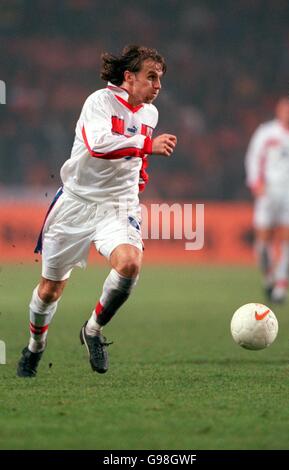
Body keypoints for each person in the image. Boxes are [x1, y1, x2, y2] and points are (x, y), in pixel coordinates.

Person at [17, 45, 177, 377]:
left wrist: (140, 171)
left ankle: (92, 329)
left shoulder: (150, 113)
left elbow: (135, 157)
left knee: (130, 264)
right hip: (76, 204)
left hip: (118, 205)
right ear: (129, 77)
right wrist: (147, 146)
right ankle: (35, 347)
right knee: (49, 290)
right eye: (151, 77)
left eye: (160, 78)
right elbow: (99, 144)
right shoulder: (99, 103)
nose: (157, 85)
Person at [245, 97, 289, 304]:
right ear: (278, 112)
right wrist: (255, 183)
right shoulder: (266, 133)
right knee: (263, 239)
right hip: (269, 190)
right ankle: (269, 277)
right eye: (285, 110)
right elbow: (253, 157)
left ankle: (282, 285)